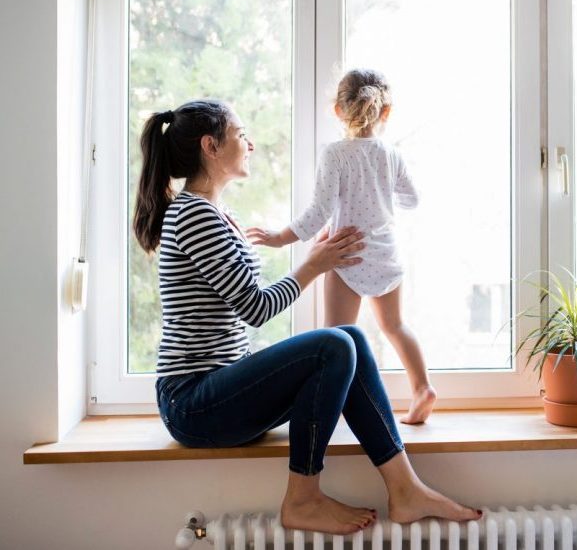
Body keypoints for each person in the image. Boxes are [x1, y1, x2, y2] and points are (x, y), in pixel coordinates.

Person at [133, 99, 481, 535]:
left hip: (218, 390)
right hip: (192, 403)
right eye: (241, 135)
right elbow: (255, 307)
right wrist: (313, 265)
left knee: (349, 337)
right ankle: (303, 498)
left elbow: (241, 299)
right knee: (333, 344)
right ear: (211, 147)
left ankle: (405, 488)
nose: (251, 143)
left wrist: (315, 258)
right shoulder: (195, 215)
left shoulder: (218, 214)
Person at [248, 69, 436, 424]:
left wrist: (278, 238)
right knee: (395, 326)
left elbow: (318, 212)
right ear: (386, 112)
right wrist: (380, 193)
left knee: (336, 339)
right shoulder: (390, 154)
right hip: (386, 252)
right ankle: (422, 388)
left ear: (337, 110)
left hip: (346, 253)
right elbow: (412, 199)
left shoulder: (334, 155)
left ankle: (337, 408)